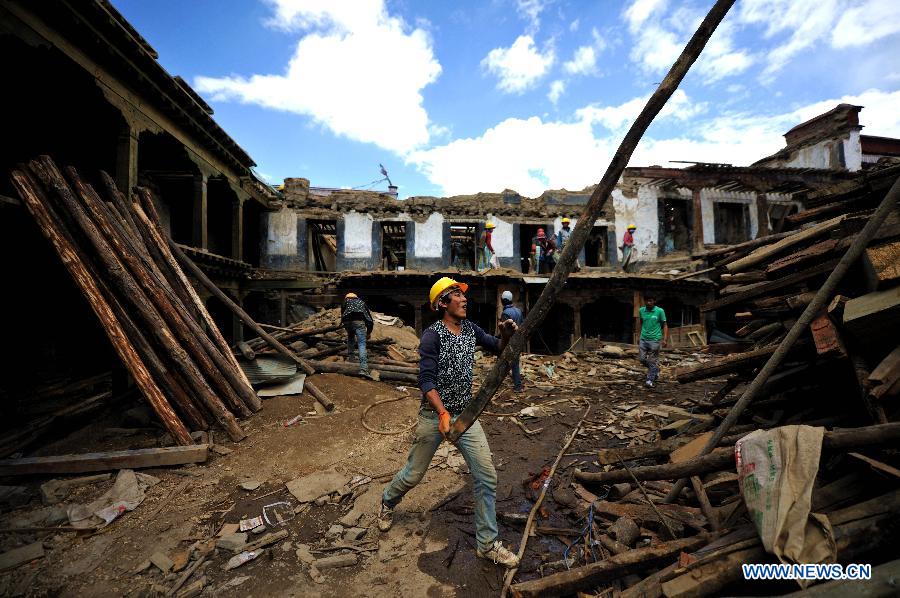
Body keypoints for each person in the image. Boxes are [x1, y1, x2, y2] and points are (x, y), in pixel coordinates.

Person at [377, 277, 520, 568]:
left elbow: (498, 348)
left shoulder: (470, 329)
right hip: (434, 416)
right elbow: (426, 380)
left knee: (486, 476)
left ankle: (487, 544)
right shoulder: (433, 335)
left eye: (462, 294)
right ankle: (387, 502)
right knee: (413, 475)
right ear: (443, 303)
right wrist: (442, 412)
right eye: (456, 294)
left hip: (466, 416)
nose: (464, 298)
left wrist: (505, 335)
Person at [341, 292, 374, 378]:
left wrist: (346, 326)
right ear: (356, 298)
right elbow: (369, 318)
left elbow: (343, 315)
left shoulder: (345, 302)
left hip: (347, 323)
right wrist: (369, 332)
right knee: (362, 344)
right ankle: (363, 369)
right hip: (359, 323)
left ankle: (351, 359)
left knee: (351, 338)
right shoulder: (361, 302)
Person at [638, 294, 668, 388]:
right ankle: (655, 369)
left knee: (651, 360)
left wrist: (665, 339)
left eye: (650, 300)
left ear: (654, 301)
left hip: (655, 339)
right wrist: (639, 336)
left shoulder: (660, 311)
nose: (648, 303)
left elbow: (665, 325)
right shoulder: (641, 310)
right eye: (646, 301)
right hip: (643, 338)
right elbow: (641, 323)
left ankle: (649, 380)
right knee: (642, 359)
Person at [499, 290, 524, 393]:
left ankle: (518, 386)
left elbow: (506, 331)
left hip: (509, 342)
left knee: (514, 364)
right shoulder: (518, 311)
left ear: (502, 301)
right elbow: (522, 325)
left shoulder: (505, 313)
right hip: (518, 340)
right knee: (513, 362)